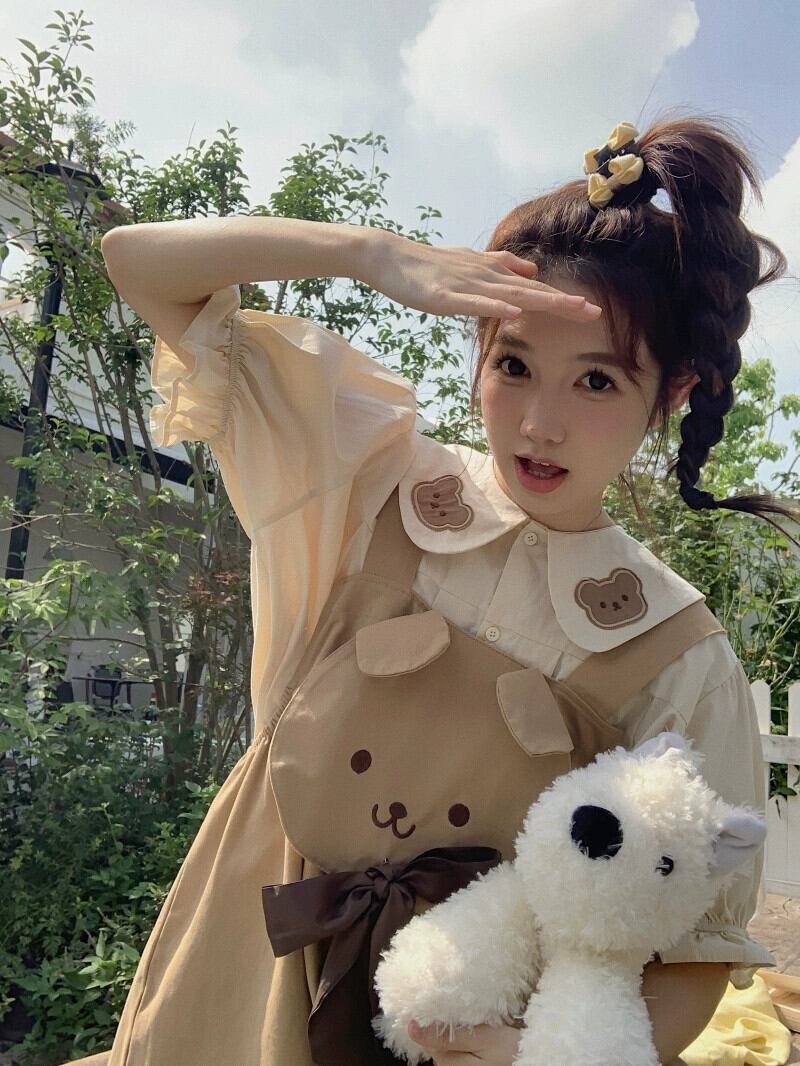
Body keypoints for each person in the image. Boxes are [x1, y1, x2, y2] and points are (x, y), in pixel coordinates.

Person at [82, 113, 797, 1066]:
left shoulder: (675, 650)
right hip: (246, 954)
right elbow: (136, 263)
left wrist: (529, 1056)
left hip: (460, 1026)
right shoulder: (368, 476)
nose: (539, 423)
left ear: (669, 395)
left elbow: (693, 955)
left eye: (596, 382)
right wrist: (364, 253)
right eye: (514, 366)